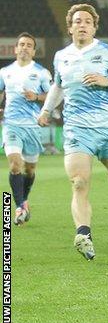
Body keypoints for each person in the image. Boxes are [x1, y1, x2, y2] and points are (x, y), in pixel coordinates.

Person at [37, 4, 108, 261]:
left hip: (106, 128)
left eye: (87, 21)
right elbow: (58, 86)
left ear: (94, 27)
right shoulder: (61, 56)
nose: (82, 25)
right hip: (76, 129)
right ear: (70, 27)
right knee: (79, 182)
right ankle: (83, 234)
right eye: (77, 21)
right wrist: (46, 110)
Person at [0, 32, 51, 225]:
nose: (24, 47)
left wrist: (36, 97)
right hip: (12, 124)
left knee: (29, 171)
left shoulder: (41, 72)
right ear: (15, 48)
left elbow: (51, 95)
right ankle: (20, 206)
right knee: (15, 165)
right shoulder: (5, 72)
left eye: (29, 45)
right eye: (21, 44)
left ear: (34, 51)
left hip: (32, 126)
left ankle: (24, 201)